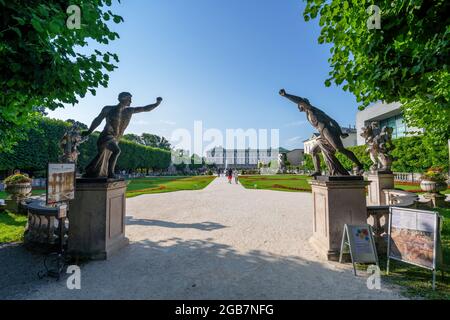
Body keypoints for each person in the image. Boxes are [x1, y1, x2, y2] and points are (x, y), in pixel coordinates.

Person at [82, 92, 162, 178]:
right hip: (106, 136)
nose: (131, 101)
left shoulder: (129, 111)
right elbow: (98, 120)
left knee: (102, 158)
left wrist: (157, 104)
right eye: (129, 99)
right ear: (123, 99)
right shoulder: (108, 109)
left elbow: (145, 108)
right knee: (116, 151)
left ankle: (91, 171)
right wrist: (89, 131)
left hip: (116, 138)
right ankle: (111, 174)